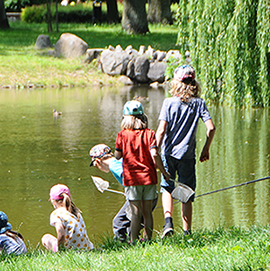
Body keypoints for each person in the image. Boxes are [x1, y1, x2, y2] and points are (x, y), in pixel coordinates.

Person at [156, 65, 216, 236]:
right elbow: (211, 128)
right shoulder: (199, 103)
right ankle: (187, 232)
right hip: (187, 156)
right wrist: (206, 149)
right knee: (185, 190)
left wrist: (154, 149)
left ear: (176, 83)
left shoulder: (168, 102)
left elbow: (161, 130)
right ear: (194, 83)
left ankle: (168, 223)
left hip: (168, 154)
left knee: (167, 187)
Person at [115, 101, 169, 244]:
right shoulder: (150, 134)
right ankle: (148, 240)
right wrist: (163, 172)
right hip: (149, 178)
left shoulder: (122, 135)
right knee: (147, 213)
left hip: (132, 179)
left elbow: (117, 156)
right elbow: (155, 155)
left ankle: (133, 242)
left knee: (135, 213)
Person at [89, 144, 158, 243]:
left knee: (119, 222)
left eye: (95, 165)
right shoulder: (121, 159)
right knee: (135, 222)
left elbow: (128, 176)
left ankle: (120, 245)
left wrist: (131, 190)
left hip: (139, 195)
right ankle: (141, 241)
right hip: (150, 193)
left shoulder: (113, 165)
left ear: (98, 161)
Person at [41, 184, 94, 252]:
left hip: (70, 251)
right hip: (87, 249)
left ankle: (60, 252)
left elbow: (61, 233)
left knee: (46, 237)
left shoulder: (56, 214)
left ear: (53, 202)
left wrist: (61, 251)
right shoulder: (76, 211)